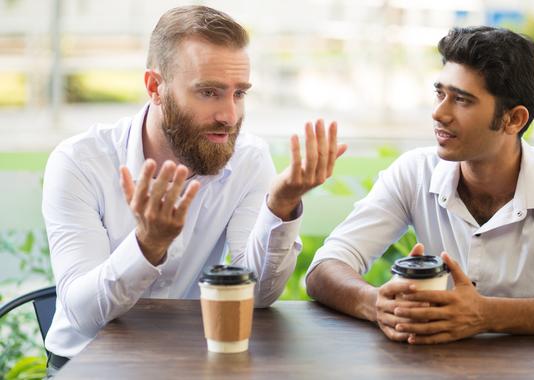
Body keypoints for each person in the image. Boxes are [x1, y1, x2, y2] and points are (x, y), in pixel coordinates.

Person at [42, 5, 346, 374]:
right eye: (209, 92)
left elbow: (259, 297)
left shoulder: (248, 159)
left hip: (193, 364)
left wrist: (281, 205)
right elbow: (83, 315)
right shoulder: (79, 162)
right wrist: (147, 245)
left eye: (239, 94)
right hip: (89, 365)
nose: (229, 116)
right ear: (155, 87)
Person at [305, 26, 534, 345]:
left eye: (461, 100)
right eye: (439, 93)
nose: (439, 113)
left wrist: (485, 314)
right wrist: (375, 303)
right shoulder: (414, 172)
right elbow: (325, 268)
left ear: (513, 119)